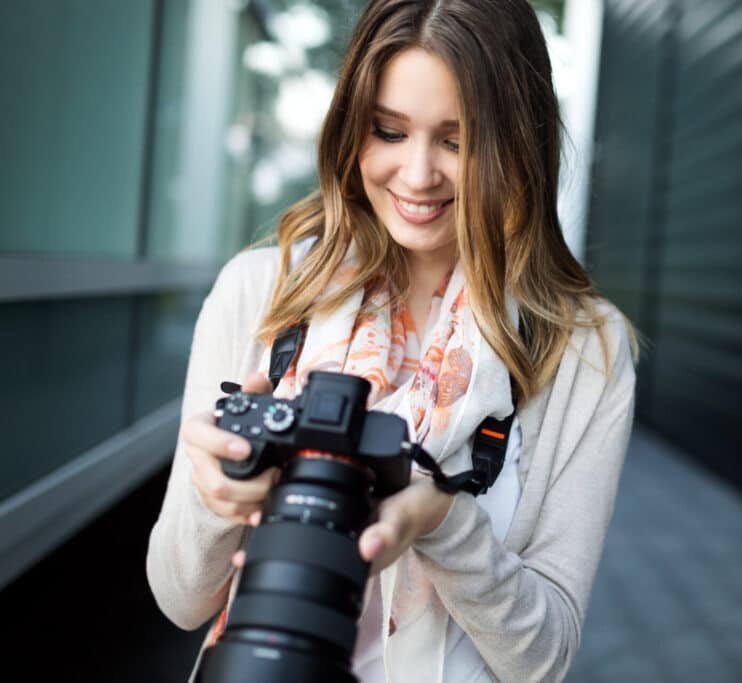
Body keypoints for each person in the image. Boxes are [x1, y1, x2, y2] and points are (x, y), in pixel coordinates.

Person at [146, 1, 636, 681]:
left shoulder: (584, 347)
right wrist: (217, 492)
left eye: (458, 141)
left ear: (517, 143)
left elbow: (543, 659)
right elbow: (180, 599)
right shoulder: (261, 292)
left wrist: (444, 525)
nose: (417, 174)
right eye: (389, 130)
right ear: (353, 126)